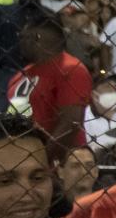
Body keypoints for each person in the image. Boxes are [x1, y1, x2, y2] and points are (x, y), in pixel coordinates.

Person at [6, 11, 91, 164]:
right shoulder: (19, 76)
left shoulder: (70, 68)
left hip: (61, 164)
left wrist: (41, 160)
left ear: (37, 38)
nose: (19, 42)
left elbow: (71, 122)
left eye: (23, 37)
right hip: (21, 159)